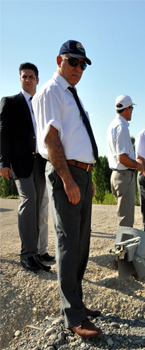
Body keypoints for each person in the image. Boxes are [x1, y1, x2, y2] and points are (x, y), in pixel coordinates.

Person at [33, 40, 101, 338]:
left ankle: (78, 305)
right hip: (67, 174)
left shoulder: (71, 95)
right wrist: (68, 178)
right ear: (60, 59)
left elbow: (78, 138)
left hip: (82, 173)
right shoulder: (51, 91)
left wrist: (88, 175)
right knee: (67, 243)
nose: (79, 69)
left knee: (81, 244)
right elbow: (51, 140)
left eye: (83, 64)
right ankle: (73, 316)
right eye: (74, 62)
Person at [0, 62, 53, 272]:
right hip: (20, 164)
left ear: (37, 80)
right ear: (20, 79)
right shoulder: (10, 102)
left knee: (39, 204)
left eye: (31, 76)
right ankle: (27, 254)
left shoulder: (42, 103)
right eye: (24, 76)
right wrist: (3, 163)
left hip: (40, 162)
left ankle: (38, 252)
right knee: (29, 200)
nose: (28, 79)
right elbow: (3, 134)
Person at [107, 95, 145, 228]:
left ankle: (123, 247)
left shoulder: (113, 125)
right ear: (127, 109)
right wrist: (138, 165)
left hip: (117, 175)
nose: (132, 111)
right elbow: (122, 158)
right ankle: (124, 249)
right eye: (132, 108)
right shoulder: (122, 127)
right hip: (124, 176)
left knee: (124, 217)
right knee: (126, 221)